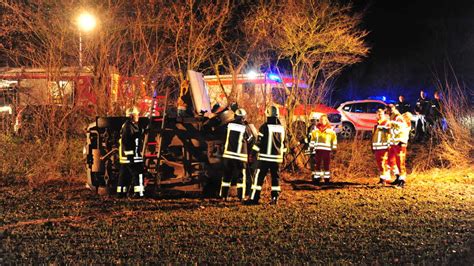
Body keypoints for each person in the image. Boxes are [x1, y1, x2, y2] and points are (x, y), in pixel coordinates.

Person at [247, 105, 286, 205]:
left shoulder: (264, 127)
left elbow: (258, 143)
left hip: (264, 158)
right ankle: (275, 198)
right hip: (277, 159)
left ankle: (254, 198)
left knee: (258, 178)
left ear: (268, 114)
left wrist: (252, 154)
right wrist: (283, 156)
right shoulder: (282, 128)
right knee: (275, 179)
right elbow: (284, 144)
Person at [219, 108, 254, 201]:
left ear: (235, 116)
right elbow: (250, 140)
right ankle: (241, 197)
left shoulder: (228, 125)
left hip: (228, 156)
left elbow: (222, 134)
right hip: (240, 157)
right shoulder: (246, 128)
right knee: (241, 178)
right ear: (244, 117)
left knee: (226, 177)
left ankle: (224, 196)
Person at [117, 106, 145, 198]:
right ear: (131, 116)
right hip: (131, 157)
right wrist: (130, 155)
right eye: (136, 115)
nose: (138, 116)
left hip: (127, 157)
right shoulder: (128, 126)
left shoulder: (130, 125)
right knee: (138, 174)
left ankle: (121, 193)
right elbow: (126, 141)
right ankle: (139, 194)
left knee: (124, 175)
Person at [309, 114, 337, 184]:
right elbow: (312, 140)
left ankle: (326, 179)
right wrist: (311, 148)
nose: (322, 121)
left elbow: (334, 140)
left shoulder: (331, 130)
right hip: (318, 150)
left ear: (326, 121)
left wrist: (334, 149)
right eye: (321, 120)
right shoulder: (315, 130)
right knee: (317, 165)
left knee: (326, 165)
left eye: (324, 120)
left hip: (327, 150)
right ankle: (317, 179)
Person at [389, 112, 413, 188]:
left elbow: (398, 126)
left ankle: (402, 180)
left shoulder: (406, 124)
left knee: (400, 163)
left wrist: (390, 122)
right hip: (394, 143)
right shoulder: (401, 121)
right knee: (391, 160)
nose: (403, 116)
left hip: (401, 144)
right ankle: (398, 176)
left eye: (405, 116)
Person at [372, 109, 391, 184]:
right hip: (377, 147)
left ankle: (383, 179)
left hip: (383, 146)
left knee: (383, 163)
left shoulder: (386, 123)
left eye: (381, 114)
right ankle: (384, 178)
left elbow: (390, 133)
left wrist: (388, 144)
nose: (379, 116)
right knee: (380, 163)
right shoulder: (377, 124)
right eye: (378, 114)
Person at [302, 112, 319, 181]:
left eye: (314, 120)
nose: (313, 122)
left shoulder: (315, 128)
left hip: (315, 148)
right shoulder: (312, 128)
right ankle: (315, 177)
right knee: (314, 163)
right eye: (313, 120)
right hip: (315, 148)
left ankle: (316, 177)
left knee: (314, 163)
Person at [387, 104, 401, 182]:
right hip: (393, 141)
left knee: (395, 160)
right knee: (391, 160)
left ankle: (400, 177)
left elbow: (398, 128)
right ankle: (397, 176)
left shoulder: (396, 116)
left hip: (397, 141)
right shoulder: (393, 115)